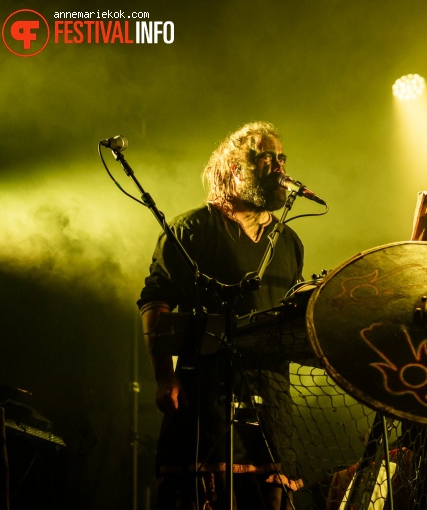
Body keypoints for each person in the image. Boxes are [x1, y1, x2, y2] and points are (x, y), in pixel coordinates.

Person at [138, 121, 305, 510]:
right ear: (237, 169)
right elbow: (155, 301)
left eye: (282, 158)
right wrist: (164, 374)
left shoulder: (289, 240)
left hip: (272, 401)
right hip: (205, 398)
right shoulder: (192, 229)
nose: (280, 167)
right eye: (267, 158)